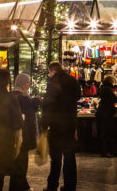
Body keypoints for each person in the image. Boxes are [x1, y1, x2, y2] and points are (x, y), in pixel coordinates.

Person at [42, 61, 80, 191]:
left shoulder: (52, 83)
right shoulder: (72, 80)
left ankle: (52, 185)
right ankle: (70, 186)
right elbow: (78, 97)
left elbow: (47, 105)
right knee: (69, 157)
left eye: (49, 72)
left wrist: (43, 125)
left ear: (53, 71)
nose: (49, 75)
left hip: (56, 126)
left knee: (56, 158)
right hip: (70, 124)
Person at [11, 73, 40, 191]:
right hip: (23, 133)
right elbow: (30, 110)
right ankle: (24, 187)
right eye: (28, 82)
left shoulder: (15, 94)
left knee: (19, 161)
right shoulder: (21, 96)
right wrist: (36, 100)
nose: (29, 84)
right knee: (22, 162)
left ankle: (16, 187)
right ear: (23, 83)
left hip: (19, 133)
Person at [97, 75, 117, 157]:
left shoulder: (104, 88)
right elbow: (114, 99)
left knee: (106, 134)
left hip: (104, 113)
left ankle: (108, 151)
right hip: (105, 114)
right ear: (110, 81)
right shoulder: (107, 89)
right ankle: (105, 152)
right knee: (106, 134)